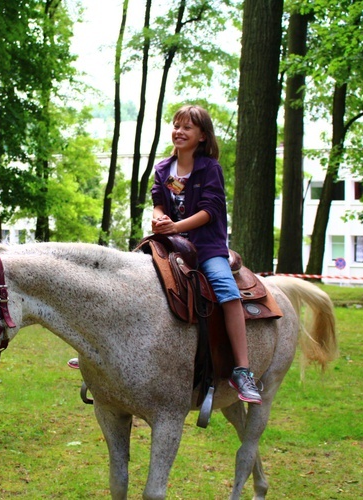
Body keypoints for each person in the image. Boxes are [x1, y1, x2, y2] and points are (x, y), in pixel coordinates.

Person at [149, 104, 261, 405]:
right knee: (127, 278)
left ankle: (242, 371)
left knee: (227, 292)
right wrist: (159, 218)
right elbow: (158, 201)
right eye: (176, 125)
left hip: (206, 247)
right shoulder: (162, 168)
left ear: (201, 135)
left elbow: (210, 211)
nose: (179, 131)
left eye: (187, 127)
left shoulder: (210, 168)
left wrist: (176, 225)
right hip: (169, 244)